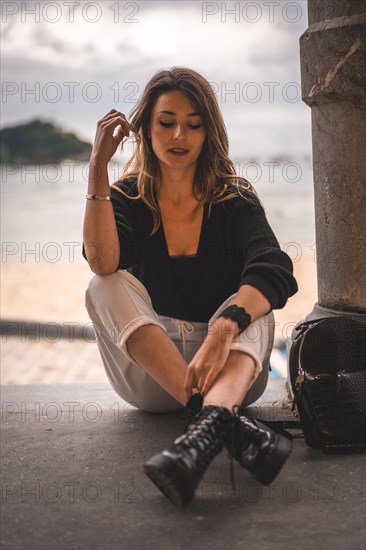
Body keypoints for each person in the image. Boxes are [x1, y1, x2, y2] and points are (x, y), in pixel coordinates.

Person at [83, 67, 298, 509]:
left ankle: (209, 423)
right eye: (166, 122)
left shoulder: (233, 197)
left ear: (208, 132)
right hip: (152, 380)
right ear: (145, 128)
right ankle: (225, 425)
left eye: (194, 123)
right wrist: (97, 170)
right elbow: (104, 259)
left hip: (230, 376)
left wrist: (222, 331)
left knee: (256, 300)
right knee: (102, 284)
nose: (179, 134)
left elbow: (273, 266)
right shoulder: (126, 196)